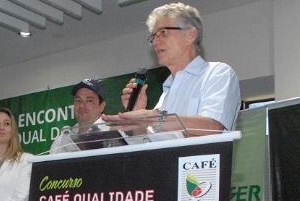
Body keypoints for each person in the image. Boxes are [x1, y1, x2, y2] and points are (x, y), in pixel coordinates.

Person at [103, 2, 241, 136]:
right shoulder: (166, 92)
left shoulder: (217, 73)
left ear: (190, 35)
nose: (155, 43)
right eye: (153, 37)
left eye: (163, 32)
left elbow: (213, 127)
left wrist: (153, 117)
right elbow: (149, 141)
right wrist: (139, 114)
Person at [50, 78, 109, 154]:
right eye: (78, 100)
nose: (81, 105)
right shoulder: (61, 141)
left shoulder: (113, 135)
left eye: (89, 100)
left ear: (102, 106)